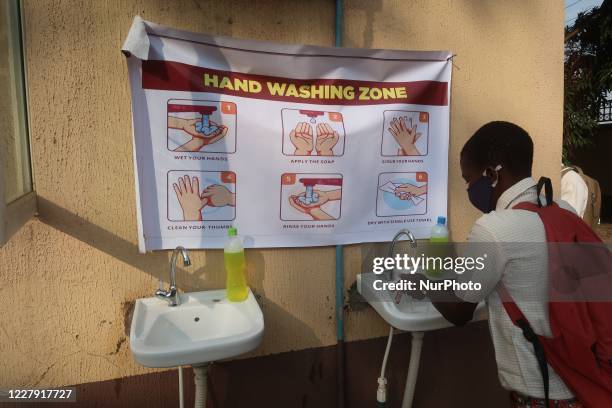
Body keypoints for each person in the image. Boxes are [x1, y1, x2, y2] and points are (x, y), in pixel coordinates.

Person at [427, 122, 583, 407]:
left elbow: (460, 311)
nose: (469, 188)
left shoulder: (494, 229)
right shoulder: (563, 210)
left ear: (492, 174)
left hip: (541, 392)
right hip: (582, 381)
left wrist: (421, 283)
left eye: (469, 179)